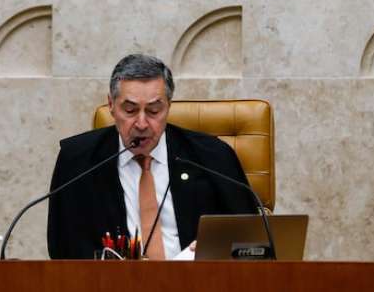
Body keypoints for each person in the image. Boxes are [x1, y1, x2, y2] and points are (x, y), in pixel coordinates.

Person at [47, 54, 257, 259]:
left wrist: (214, 251)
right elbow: (63, 247)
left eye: (154, 111)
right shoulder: (78, 161)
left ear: (168, 106)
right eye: (130, 110)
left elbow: (250, 240)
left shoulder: (212, 157)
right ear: (111, 105)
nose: (141, 124)